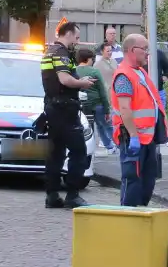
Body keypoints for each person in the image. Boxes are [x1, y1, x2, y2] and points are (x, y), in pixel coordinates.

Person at [40, 21, 96, 209]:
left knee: (56, 153)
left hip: (52, 108)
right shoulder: (61, 53)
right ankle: (73, 194)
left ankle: (52, 194)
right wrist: (83, 83)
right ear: (69, 34)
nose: (77, 42)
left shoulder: (49, 51)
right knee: (79, 152)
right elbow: (65, 79)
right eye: (77, 37)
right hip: (65, 109)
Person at [111, 34, 166, 207]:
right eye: (144, 49)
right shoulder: (124, 76)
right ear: (132, 50)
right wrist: (134, 136)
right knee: (132, 179)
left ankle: (140, 217)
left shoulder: (140, 72)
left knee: (147, 181)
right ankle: (127, 220)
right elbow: (125, 108)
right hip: (133, 138)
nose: (148, 54)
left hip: (147, 138)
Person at [75, 47, 117, 155]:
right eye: (92, 59)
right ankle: (115, 145)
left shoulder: (74, 71)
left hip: (82, 105)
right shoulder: (94, 71)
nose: (93, 60)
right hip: (98, 105)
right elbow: (102, 91)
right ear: (88, 59)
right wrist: (107, 109)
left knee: (87, 128)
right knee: (105, 126)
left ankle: (89, 149)